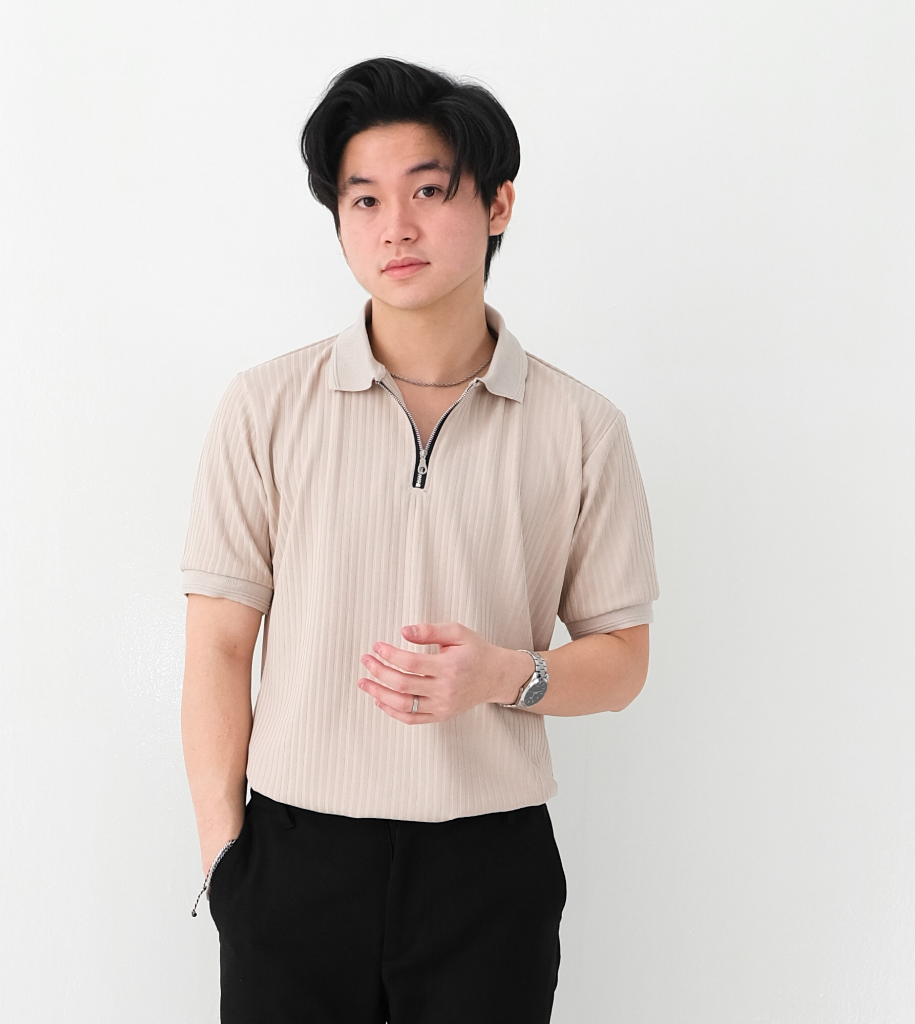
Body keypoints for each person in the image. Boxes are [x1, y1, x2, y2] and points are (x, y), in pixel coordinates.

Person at [179, 57, 659, 1024]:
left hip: (488, 869)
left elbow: (622, 662)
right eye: (363, 199)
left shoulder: (581, 427)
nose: (394, 226)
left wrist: (504, 675)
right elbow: (220, 648)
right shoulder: (266, 407)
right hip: (292, 862)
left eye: (428, 191)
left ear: (497, 204)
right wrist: (227, 859)